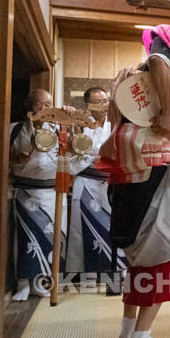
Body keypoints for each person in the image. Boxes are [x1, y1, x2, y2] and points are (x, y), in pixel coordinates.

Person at [101, 24, 170, 338]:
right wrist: (169, 113)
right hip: (154, 170)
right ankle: (142, 335)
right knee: (164, 251)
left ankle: (128, 329)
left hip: (130, 170)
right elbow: (160, 59)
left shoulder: (129, 80)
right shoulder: (159, 59)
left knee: (139, 258)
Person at [9, 89, 76, 301]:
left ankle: (42, 283)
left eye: (49, 104)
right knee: (27, 238)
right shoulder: (15, 129)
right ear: (30, 106)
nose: (46, 109)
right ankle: (23, 283)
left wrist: (69, 120)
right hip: (27, 192)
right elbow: (16, 158)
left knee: (53, 238)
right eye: (42, 104)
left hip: (53, 192)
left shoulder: (58, 130)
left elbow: (75, 153)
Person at [66, 87, 124, 280]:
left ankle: (114, 270)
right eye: (98, 101)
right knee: (80, 227)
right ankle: (85, 273)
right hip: (86, 180)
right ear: (88, 105)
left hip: (108, 184)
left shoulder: (115, 124)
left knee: (112, 225)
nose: (104, 105)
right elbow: (71, 152)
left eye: (106, 100)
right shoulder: (80, 124)